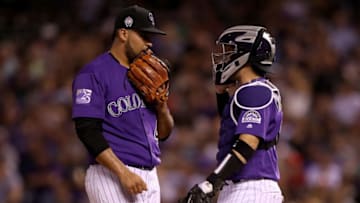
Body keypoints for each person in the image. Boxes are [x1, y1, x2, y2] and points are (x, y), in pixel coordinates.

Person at [71, 5, 174, 203]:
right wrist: (123, 173)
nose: (149, 43)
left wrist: (162, 107)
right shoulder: (93, 73)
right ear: (123, 33)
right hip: (110, 174)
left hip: (150, 175)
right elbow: (87, 131)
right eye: (143, 36)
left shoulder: (149, 74)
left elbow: (164, 134)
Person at [180, 25, 284, 203]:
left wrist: (211, 183)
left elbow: (246, 144)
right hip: (246, 188)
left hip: (251, 188)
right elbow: (232, 126)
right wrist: (221, 95)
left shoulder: (255, 92)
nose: (224, 58)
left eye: (230, 51)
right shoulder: (255, 90)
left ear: (245, 54)